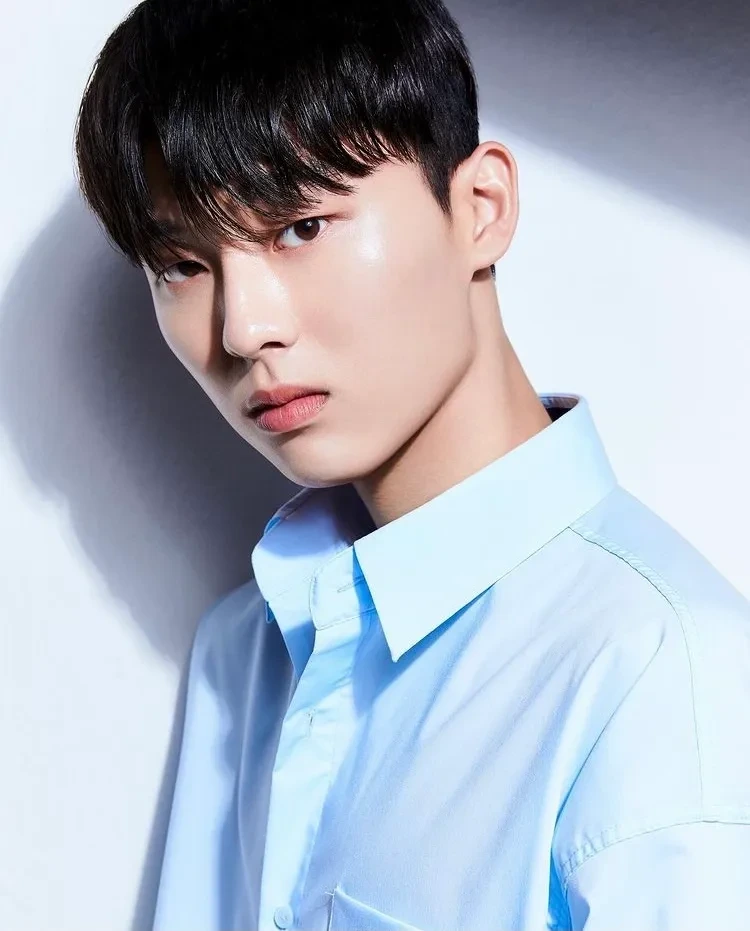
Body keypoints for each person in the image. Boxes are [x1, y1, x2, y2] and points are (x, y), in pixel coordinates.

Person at [73, 1, 750, 929]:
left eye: (300, 227)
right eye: (182, 266)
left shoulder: (666, 675)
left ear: (480, 210)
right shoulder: (244, 653)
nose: (242, 327)